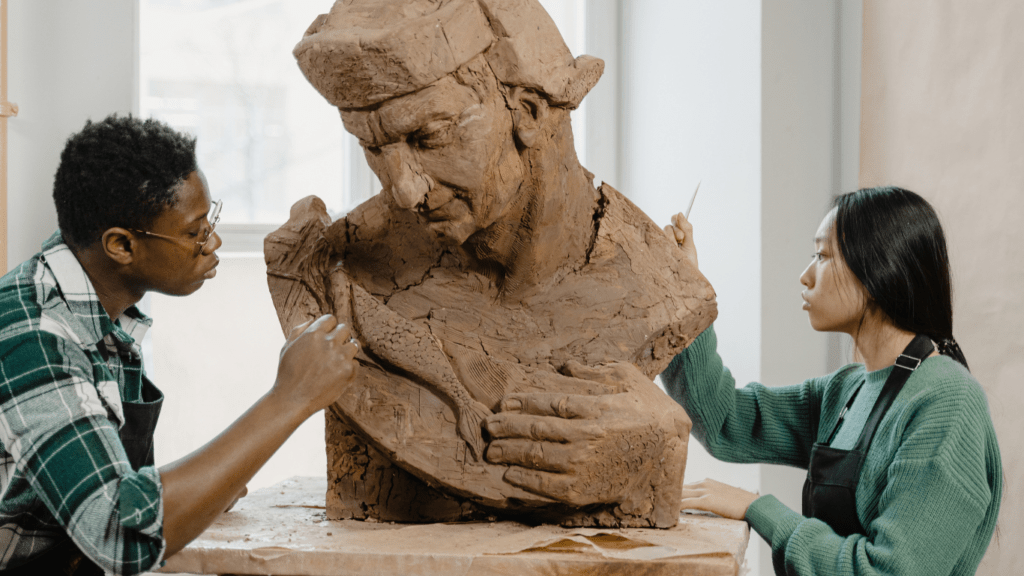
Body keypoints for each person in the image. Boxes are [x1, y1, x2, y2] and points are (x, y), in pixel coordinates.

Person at [265, 0, 709, 526]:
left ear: (529, 112)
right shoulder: (326, 268)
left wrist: (652, 461)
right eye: (371, 147)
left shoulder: (661, 293)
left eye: (428, 137)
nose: (404, 190)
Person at [0, 114, 359, 575]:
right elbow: (120, 533)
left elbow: (110, 485)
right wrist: (290, 398)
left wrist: (208, 487)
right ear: (121, 246)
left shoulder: (97, 310)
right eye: (194, 233)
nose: (214, 242)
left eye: (210, 221)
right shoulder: (36, 340)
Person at [658, 186, 1002, 575]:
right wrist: (683, 288)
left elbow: (886, 572)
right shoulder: (845, 390)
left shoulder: (947, 402)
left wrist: (758, 508)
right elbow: (726, 421)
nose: (804, 276)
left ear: (877, 270)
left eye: (822, 256)